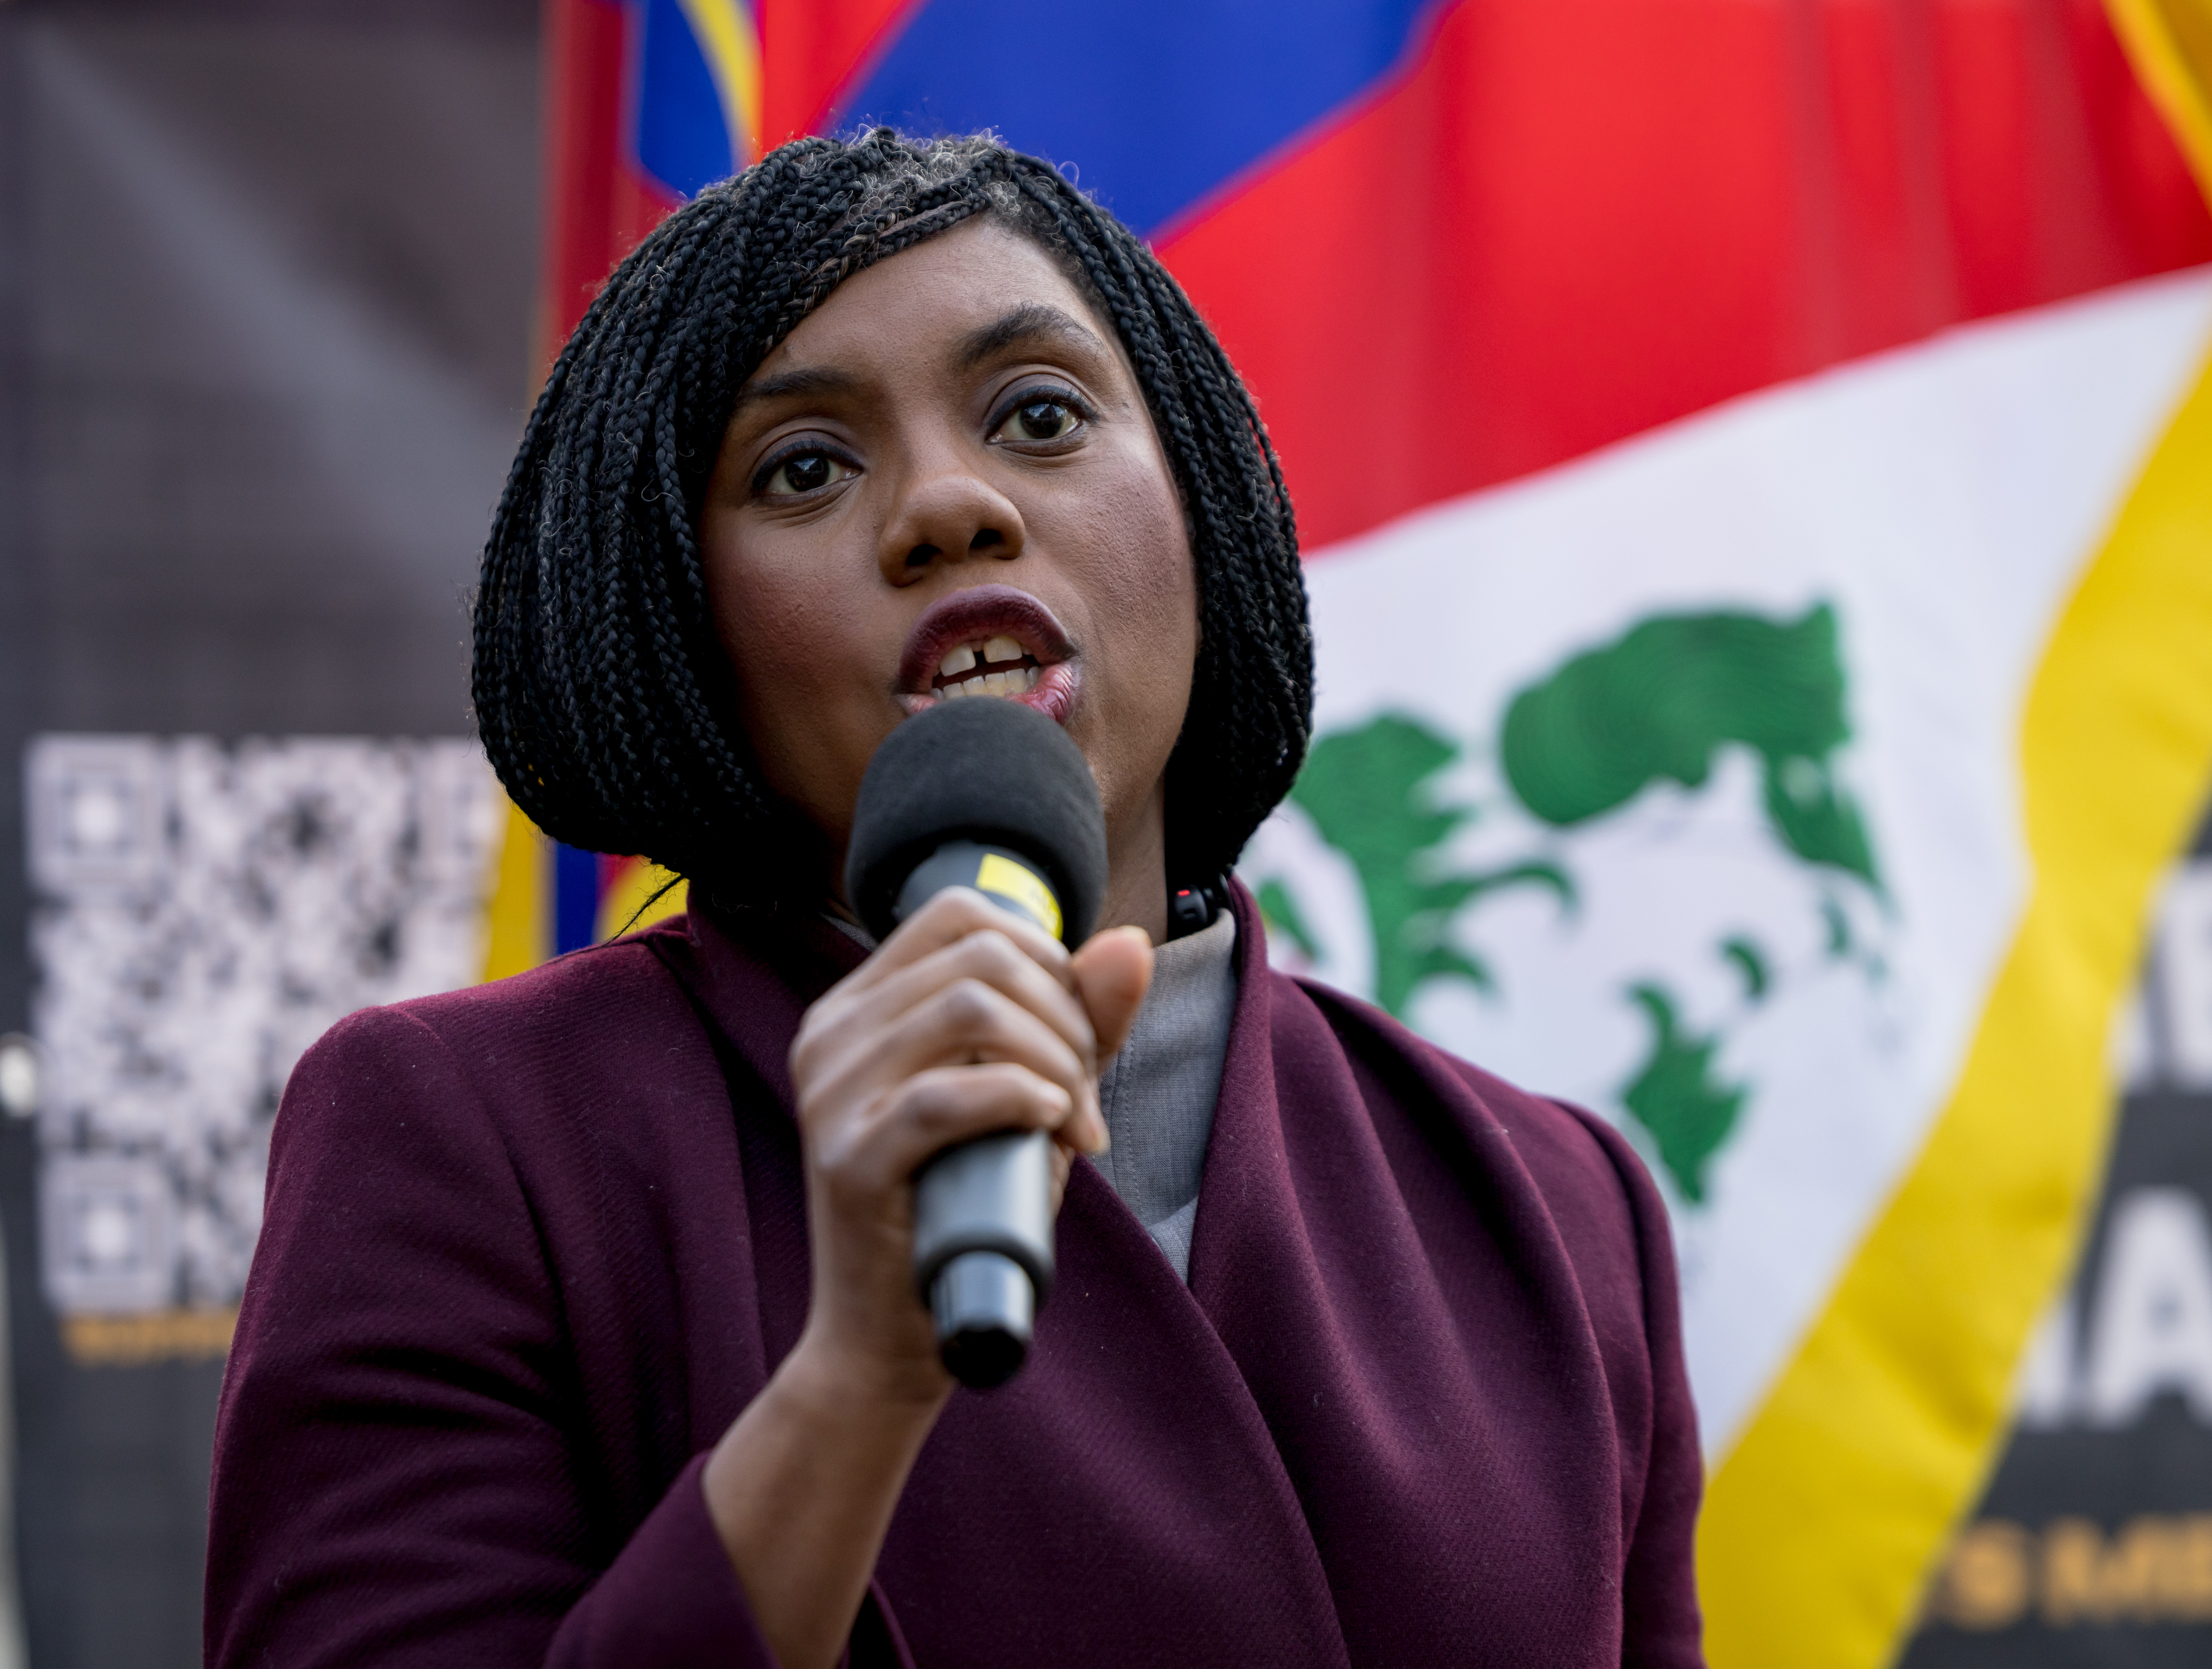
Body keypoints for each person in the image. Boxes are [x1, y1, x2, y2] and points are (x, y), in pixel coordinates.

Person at [203, 130, 1705, 1669]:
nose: (949, 507)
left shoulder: (1557, 1201)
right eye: (804, 466)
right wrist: (853, 1388)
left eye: (1040, 414)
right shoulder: (471, 1138)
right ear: (681, 617)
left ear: (1204, 499)